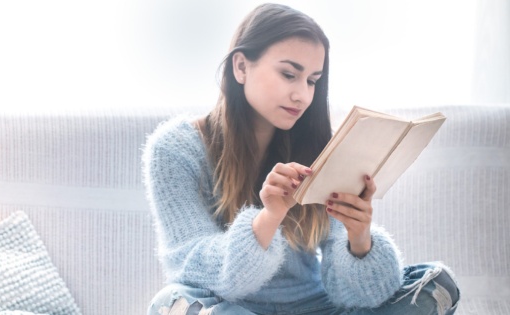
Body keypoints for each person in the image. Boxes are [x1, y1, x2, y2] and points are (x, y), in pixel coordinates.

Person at [142, 3, 460, 314]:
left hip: (314, 306)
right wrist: (269, 217)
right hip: (229, 307)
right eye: (288, 74)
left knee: (437, 285)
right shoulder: (175, 147)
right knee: (174, 302)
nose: (302, 95)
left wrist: (359, 239)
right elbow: (190, 264)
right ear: (240, 67)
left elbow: (361, 297)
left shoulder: (323, 148)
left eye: (312, 80)